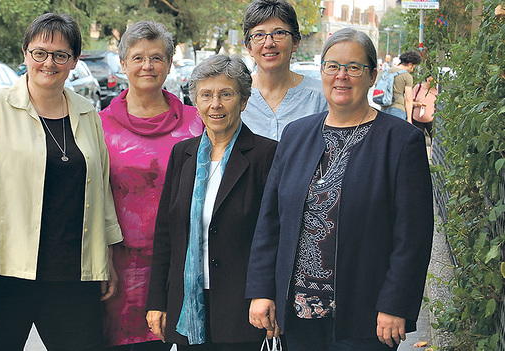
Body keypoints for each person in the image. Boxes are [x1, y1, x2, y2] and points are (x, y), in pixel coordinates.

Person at [0, 13, 123, 350]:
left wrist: (105, 262)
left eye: (60, 55)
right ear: (25, 54)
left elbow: (101, 194)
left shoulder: (87, 114)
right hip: (4, 275)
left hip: (73, 277)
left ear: (74, 62)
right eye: (39, 52)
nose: (48, 63)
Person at [246, 27, 434, 350]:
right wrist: (263, 290)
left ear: (373, 75)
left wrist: (395, 303)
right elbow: (270, 221)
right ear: (322, 72)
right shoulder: (296, 135)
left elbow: (413, 236)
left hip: (367, 318)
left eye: (353, 67)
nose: (341, 76)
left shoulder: (402, 142)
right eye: (332, 66)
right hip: (298, 313)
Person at [146, 54, 277, 350]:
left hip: (243, 308)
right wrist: (158, 300)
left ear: (243, 101)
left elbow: (272, 235)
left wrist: (265, 293)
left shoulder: (266, 155)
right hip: (189, 305)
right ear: (196, 102)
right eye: (206, 95)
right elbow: (166, 233)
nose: (214, 104)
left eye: (226, 94)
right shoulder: (183, 154)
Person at [99, 21, 204, 351]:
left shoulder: (196, 121)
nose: (148, 65)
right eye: (138, 57)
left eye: (157, 57)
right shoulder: (100, 126)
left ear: (170, 63)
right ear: (123, 63)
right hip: (121, 271)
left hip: (185, 265)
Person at [241, 0, 327, 141]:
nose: (269, 43)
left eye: (279, 33)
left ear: (295, 42)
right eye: (259, 35)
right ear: (249, 47)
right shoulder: (235, 97)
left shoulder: (319, 98)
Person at [380, 50, 422, 123]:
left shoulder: (388, 71)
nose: (412, 70)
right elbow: (409, 99)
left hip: (384, 108)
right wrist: (409, 119)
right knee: (397, 133)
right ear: (410, 64)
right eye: (413, 67)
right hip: (398, 110)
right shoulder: (407, 76)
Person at [412, 74, 438, 141]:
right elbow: (410, 102)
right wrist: (417, 104)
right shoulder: (418, 87)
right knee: (417, 139)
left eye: (433, 81)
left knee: (434, 139)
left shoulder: (437, 91)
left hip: (432, 120)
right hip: (417, 119)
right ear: (426, 79)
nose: (430, 83)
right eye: (429, 80)